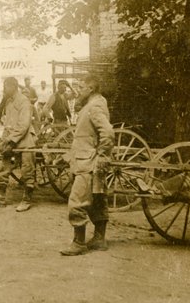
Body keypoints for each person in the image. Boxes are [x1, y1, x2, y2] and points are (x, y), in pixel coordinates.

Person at [60, 75, 114, 256]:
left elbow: (107, 132)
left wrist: (102, 157)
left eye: (81, 87)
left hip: (88, 162)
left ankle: (79, 243)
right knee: (97, 200)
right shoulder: (90, 105)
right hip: (86, 160)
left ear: (91, 89)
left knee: (77, 201)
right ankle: (99, 239)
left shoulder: (95, 106)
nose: (78, 91)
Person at [0, 77, 36, 212]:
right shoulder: (9, 102)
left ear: (13, 86)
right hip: (12, 141)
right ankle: (0, 199)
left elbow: (23, 125)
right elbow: (8, 125)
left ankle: (26, 200)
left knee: (27, 171)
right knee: (3, 170)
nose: (4, 89)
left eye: (5, 87)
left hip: (25, 142)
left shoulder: (24, 101)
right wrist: (3, 140)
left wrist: (11, 140)